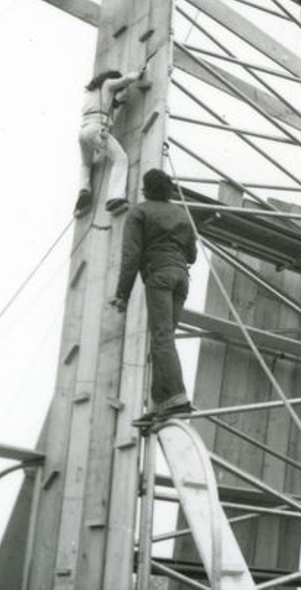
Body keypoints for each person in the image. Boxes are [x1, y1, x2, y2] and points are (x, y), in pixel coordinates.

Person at [111, 169, 197, 419]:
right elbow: (192, 255)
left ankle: (177, 398)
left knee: (161, 339)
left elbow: (131, 256)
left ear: (145, 188)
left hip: (159, 276)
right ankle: (160, 403)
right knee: (164, 339)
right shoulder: (182, 214)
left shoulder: (139, 212)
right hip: (181, 278)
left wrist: (122, 294)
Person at [74, 66, 146, 218]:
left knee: (86, 164)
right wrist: (139, 73)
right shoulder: (108, 83)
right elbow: (126, 79)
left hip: (83, 132)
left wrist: (116, 103)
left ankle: (84, 192)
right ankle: (115, 198)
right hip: (96, 130)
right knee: (121, 158)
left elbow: (109, 105)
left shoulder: (91, 92)